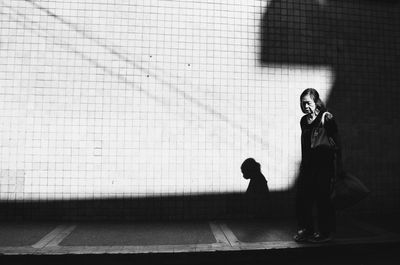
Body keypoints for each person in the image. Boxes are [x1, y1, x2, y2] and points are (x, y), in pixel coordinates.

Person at [293, 88, 343, 243]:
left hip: (323, 165)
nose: (305, 107)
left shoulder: (326, 117)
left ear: (316, 102)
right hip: (307, 166)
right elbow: (305, 144)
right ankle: (307, 230)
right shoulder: (303, 121)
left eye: (308, 103)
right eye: (302, 104)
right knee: (303, 199)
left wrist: (340, 166)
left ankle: (326, 232)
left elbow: (337, 141)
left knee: (323, 199)